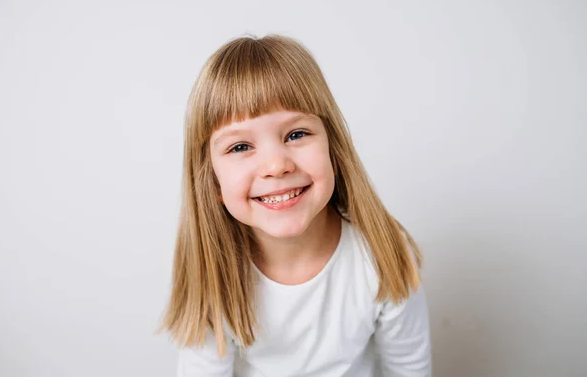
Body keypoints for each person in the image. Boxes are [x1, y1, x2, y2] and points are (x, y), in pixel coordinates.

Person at [160, 34, 432, 376]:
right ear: (212, 181)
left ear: (333, 146)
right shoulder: (215, 273)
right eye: (241, 147)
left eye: (296, 134)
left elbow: (408, 370)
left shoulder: (383, 255)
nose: (277, 166)